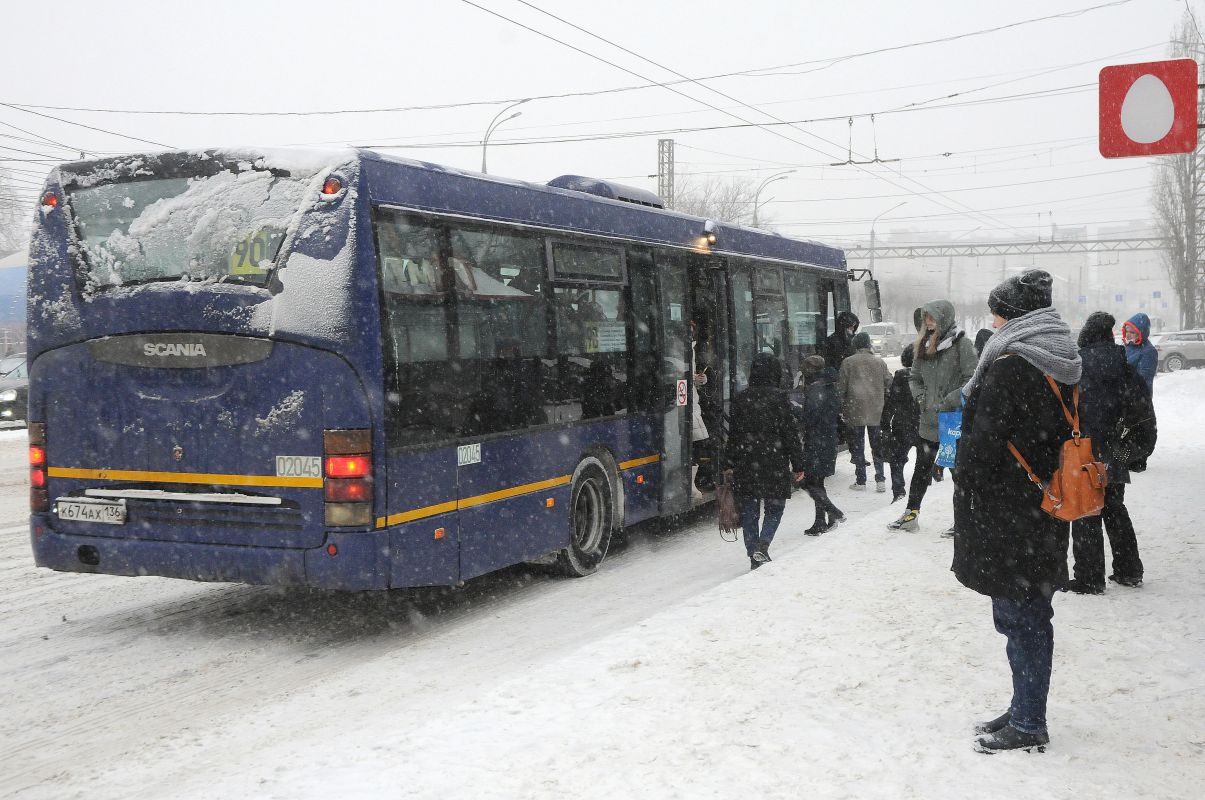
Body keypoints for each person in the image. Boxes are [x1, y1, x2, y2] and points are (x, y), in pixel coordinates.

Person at [952, 269, 1082, 753]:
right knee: (1031, 612)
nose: (993, 319)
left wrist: (964, 477)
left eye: (997, 311)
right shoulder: (1062, 360)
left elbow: (984, 446)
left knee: (1020, 617)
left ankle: (1028, 722)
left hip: (1011, 510)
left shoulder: (1011, 366)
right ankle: (1024, 704)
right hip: (1045, 504)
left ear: (1014, 316)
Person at [1066, 312, 1156, 593]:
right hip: (1116, 450)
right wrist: (1134, 452)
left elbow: (1066, 410)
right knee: (1115, 508)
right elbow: (1143, 410)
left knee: (1086, 511)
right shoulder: (1125, 366)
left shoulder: (1076, 368)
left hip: (1085, 450)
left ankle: (1089, 578)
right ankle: (1129, 569)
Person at [887, 300, 978, 532]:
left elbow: (973, 379)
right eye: (926, 318)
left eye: (932, 317)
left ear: (944, 318)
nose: (928, 322)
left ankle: (964, 520)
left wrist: (950, 400)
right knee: (921, 470)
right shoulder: (923, 344)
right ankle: (911, 515)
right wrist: (920, 398)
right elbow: (914, 377)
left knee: (959, 473)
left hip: (953, 421)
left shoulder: (962, 345)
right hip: (928, 421)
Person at [724, 353, 805, 568]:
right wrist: (798, 464)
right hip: (774, 461)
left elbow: (734, 435)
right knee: (775, 507)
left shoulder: (741, 399)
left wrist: (729, 461)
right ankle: (763, 545)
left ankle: (753, 554)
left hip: (745, 461)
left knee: (749, 511)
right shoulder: (780, 398)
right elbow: (790, 434)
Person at [839, 331, 893, 492]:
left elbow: (841, 387)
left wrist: (842, 406)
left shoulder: (848, 363)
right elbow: (889, 382)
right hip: (876, 410)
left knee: (858, 446)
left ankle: (861, 480)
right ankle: (880, 479)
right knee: (877, 445)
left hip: (855, 410)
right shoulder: (879, 362)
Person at [797, 355, 845, 535]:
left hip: (816, 440)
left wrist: (795, 410)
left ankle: (832, 512)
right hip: (828, 438)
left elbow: (811, 416)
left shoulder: (816, 389)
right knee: (817, 480)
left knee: (811, 481)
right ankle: (822, 520)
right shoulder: (830, 386)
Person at [880, 345, 920, 504]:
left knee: (897, 459)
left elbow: (891, 402)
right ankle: (924, 484)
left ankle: (898, 490)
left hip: (902, 424)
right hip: (922, 423)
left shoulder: (901, 376)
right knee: (923, 459)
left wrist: (885, 424)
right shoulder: (927, 375)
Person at [1121, 312, 1157, 394]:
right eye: (1127, 331)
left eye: (1132, 332)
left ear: (1141, 333)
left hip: (1137, 399)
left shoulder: (1148, 351)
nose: (1128, 335)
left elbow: (1144, 380)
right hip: (1126, 397)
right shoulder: (1130, 346)